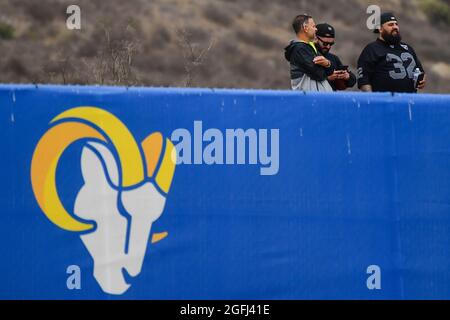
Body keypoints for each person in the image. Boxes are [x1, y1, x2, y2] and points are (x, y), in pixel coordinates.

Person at [357, 12, 426, 93]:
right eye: (390, 25)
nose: (395, 27)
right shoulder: (371, 49)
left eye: (396, 24)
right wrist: (372, 100)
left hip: (410, 100)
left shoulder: (408, 48)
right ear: (380, 28)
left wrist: (422, 80)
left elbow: (420, 71)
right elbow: (363, 80)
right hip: (385, 101)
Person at [285, 14, 333, 92]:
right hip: (309, 100)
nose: (316, 29)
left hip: (317, 99)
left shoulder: (310, 46)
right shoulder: (299, 49)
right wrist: (326, 65)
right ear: (306, 28)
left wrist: (327, 63)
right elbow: (319, 74)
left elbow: (330, 70)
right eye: (313, 26)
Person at [315, 23, 356, 91]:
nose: (328, 47)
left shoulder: (333, 58)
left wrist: (347, 76)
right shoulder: (307, 54)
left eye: (331, 44)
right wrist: (327, 79)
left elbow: (352, 81)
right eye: (325, 43)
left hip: (331, 98)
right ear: (316, 38)